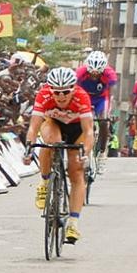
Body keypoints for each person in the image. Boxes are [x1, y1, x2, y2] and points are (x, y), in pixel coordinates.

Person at [24, 67, 94, 243]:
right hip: (54, 124)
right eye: (56, 92)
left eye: (65, 92)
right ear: (50, 89)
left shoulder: (82, 96)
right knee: (50, 142)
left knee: (76, 171)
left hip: (77, 129)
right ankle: (45, 182)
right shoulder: (44, 95)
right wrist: (28, 148)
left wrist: (85, 152)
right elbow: (33, 127)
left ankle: (73, 223)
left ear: (73, 89)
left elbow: (89, 131)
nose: (61, 96)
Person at [76, 50, 117, 170]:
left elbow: (111, 93)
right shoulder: (80, 72)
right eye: (92, 73)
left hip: (101, 99)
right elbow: (74, 90)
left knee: (103, 122)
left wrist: (109, 112)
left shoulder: (110, 74)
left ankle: (102, 151)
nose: (94, 76)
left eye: (97, 74)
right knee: (78, 121)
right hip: (85, 97)